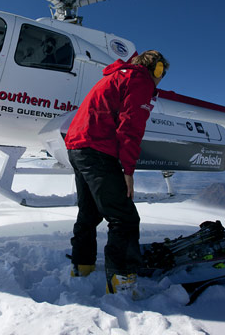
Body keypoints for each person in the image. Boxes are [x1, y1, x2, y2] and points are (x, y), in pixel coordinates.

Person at [65, 49, 169, 294]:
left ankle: (82, 266)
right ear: (157, 69)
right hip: (97, 149)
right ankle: (122, 280)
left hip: (77, 147)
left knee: (89, 213)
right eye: (161, 74)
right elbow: (131, 127)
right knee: (124, 218)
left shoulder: (116, 76)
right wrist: (128, 170)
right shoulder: (140, 80)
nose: (160, 79)